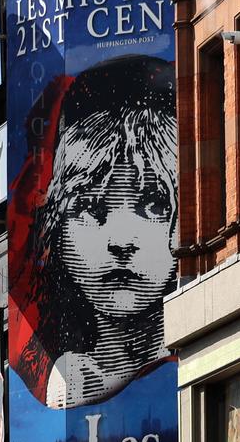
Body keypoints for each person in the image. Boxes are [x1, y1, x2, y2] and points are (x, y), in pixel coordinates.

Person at [10, 55, 178, 409]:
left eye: (154, 205)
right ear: (57, 220)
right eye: (92, 207)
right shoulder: (47, 375)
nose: (121, 242)